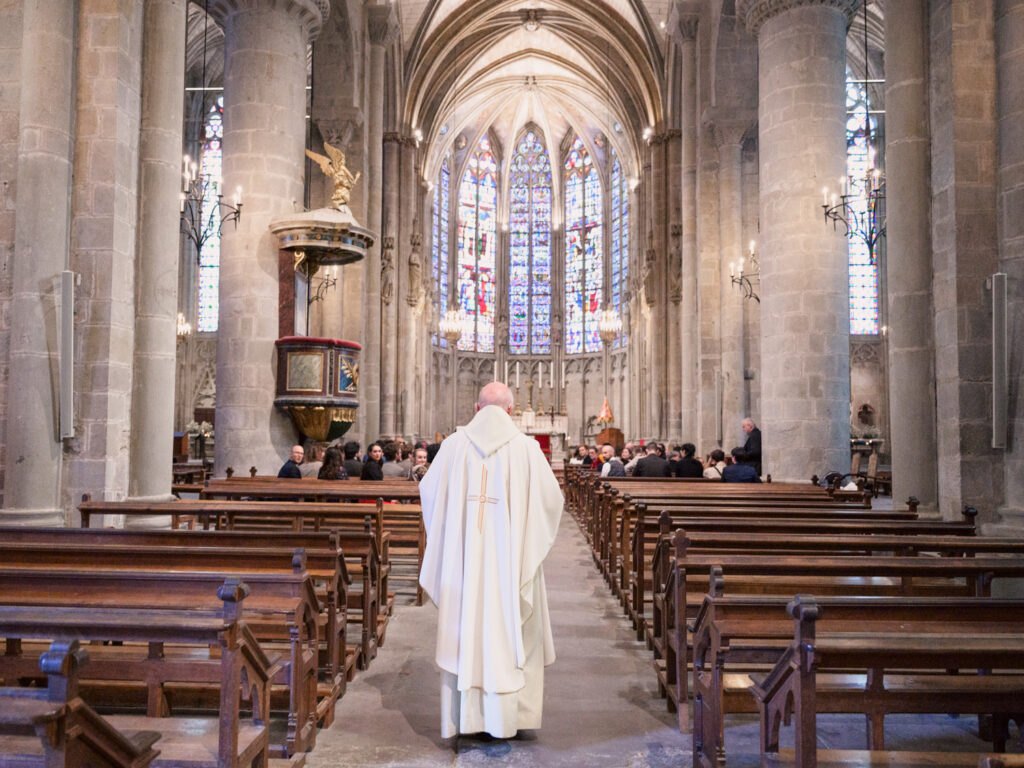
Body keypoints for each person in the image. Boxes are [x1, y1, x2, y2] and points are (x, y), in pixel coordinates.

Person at [419, 382, 563, 739]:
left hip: (464, 567)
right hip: (511, 566)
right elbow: (551, 502)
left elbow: (430, 495)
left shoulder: (452, 447)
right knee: (511, 625)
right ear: (511, 410)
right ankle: (507, 719)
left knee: (465, 625)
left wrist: (456, 538)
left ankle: (463, 718)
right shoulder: (528, 449)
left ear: (476, 407)